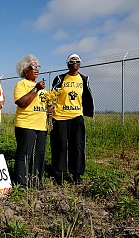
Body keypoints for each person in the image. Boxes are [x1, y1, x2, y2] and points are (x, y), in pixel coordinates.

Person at [50, 54, 94, 185]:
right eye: (72, 61)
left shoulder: (84, 79)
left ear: (80, 64)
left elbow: (87, 96)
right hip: (60, 117)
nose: (74, 63)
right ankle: (59, 174)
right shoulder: (60, 78)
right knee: (60, 146)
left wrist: (87, 112)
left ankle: (77, 174)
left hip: (76, 117)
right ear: (67, 64)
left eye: (77, 61)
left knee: (77, 146)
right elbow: (52, 96)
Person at [13, 54, 47, 189]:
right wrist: (36, 89)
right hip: (26, 124)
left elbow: (43, 105)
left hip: (41, 126)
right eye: (33, 67)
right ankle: (21, 182)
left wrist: (49, 110)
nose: (37, 69)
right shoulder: (21, 84)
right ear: (25, 70)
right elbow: (21, 103)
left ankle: (36, 179)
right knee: (25, 153)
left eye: (38, 66)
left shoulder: (42, 88)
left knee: (39, 153)